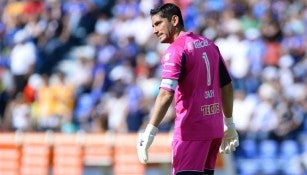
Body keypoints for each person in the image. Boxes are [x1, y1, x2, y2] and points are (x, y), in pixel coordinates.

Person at [137, 3, 239, 175]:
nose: (154, 30)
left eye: (158, 23)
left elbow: (165, 93)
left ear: (174, 20)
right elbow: (227, 86)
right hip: (213, 129)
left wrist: (150, 131)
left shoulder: (175, 51)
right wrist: (229, 123)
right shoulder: (208, 44)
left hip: (191, 132)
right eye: (153, 25)